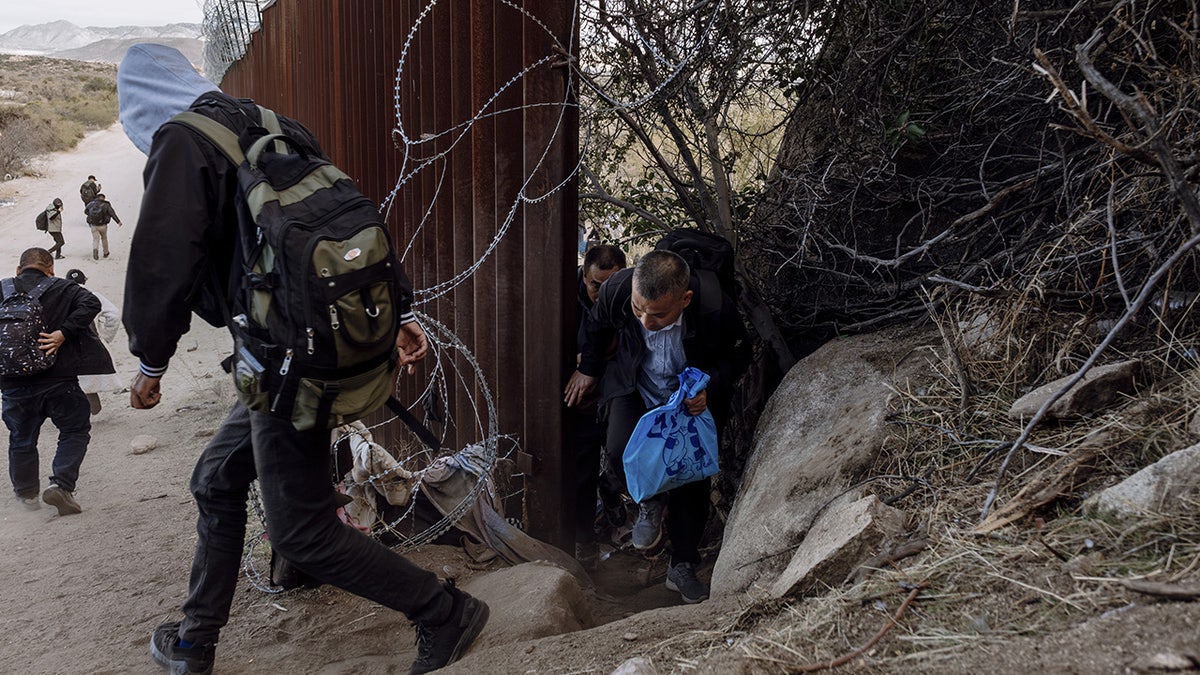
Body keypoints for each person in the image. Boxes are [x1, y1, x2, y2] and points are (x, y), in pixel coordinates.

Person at [117, 43, 488, 675]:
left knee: (303, 531)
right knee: (216, 479)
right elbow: (345, 222)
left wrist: (151, 363)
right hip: (313, 345)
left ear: (141, 106)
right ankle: (195, 641)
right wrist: (397, 312)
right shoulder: (269, 122)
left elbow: (161, 263)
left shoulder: (183, 142)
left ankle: (444, 612)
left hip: (286, 363)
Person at [564, 249, 750, 604]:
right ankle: (649, 500)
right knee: (619, 449)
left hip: (688, 397)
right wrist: (588, 368)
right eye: (638, 310)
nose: (646, 322)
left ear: (685, 299)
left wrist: (709, 387)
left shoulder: (714, 308)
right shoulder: (618, 289)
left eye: (659, 314)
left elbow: (739, 356)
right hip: (635, 384)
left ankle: (681, 564)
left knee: (690, 477)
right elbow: (597, 326)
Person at [1, 248, 112, 515]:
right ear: (50, 269)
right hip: (58, 378)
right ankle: (61, 484)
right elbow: (92, 304)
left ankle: (27, 496)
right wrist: (63, 332)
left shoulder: (3, 289)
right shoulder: (64, 288)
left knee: (21, 438)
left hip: (13, 383)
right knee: (74, 430)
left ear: (19, 270)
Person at [565, 243, 626, 568]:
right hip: (581, 398)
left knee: (623, 451)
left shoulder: (629, 297)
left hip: (617, 387)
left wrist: (592, 365)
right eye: (595, 286)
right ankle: (584, 540)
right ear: (583, 276)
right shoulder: (562, 297)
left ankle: (614, 489)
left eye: (610, 286)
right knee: (582, 468)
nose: (601, 294)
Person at [63, 269, 121, 414]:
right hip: (91, 343)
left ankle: (76, 410)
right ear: (85, 281)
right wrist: (106, 336)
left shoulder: (60, 297)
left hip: (65, 343)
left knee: (71, 379)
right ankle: (90, 408)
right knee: (88, 379)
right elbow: (114, 315)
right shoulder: (93, 296)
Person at [83, 193, 123, 260]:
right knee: (104, 238)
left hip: (93, 225)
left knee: (95, 239)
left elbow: (86, 212)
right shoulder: (106, 205)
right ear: (104, 198)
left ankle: (95, 249)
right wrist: (118, 221)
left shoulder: (91, 204)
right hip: (103, 225)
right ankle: (106, 252)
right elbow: (112, 213)